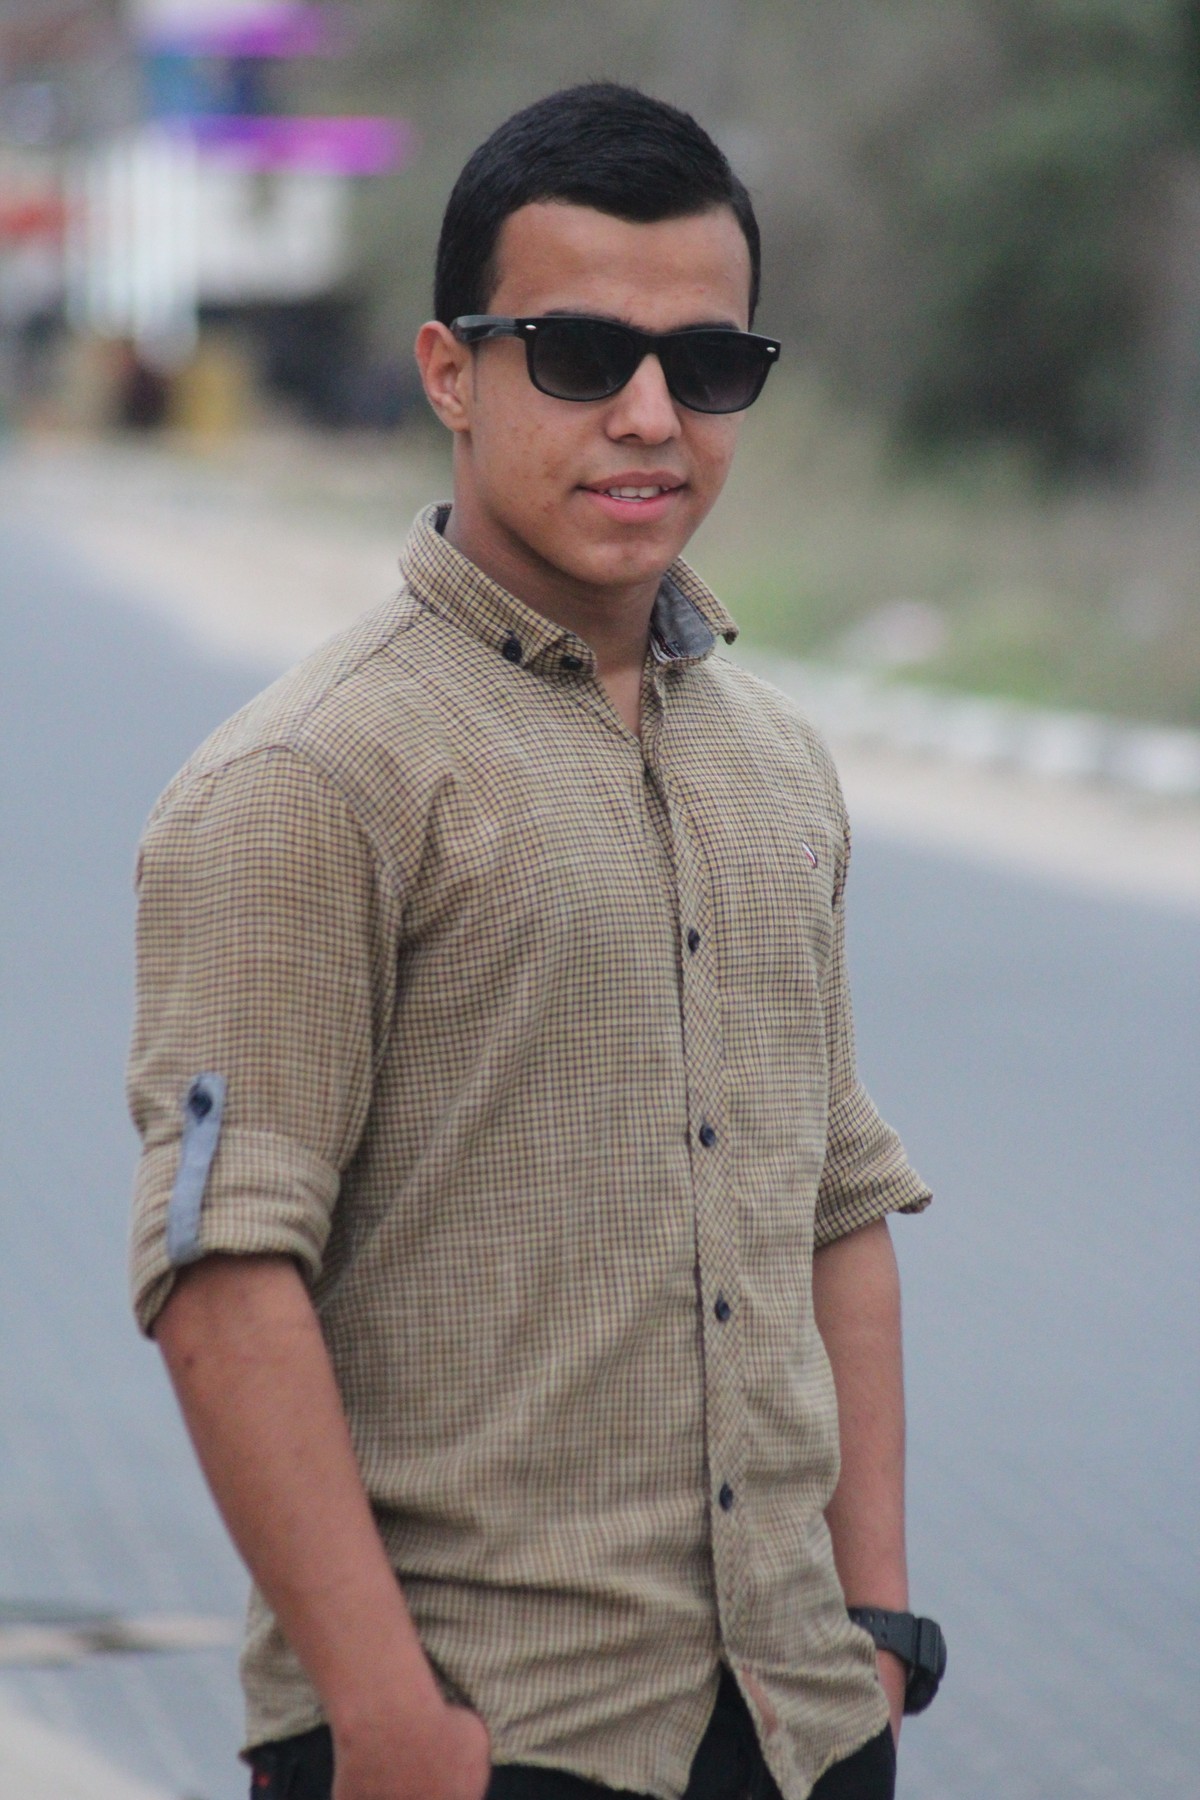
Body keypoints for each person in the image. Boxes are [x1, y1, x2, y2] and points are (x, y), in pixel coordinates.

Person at [127, 83, 941, 1800]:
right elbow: (223, 1277)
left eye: (706, 365)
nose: (650, 416)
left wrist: (875, 1619)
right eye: (578, 355)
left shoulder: (780, 767)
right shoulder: (309, 778)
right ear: (449, 372)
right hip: (483, 1733)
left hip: (798, 1723)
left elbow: (839, 1204)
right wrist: (388, 1722)